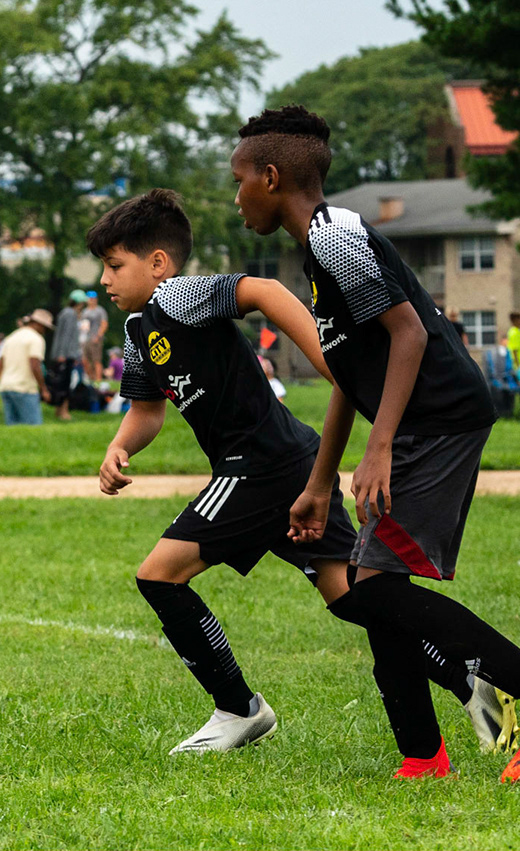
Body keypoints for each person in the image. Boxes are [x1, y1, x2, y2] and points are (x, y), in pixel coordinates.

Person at [235, 106, 520, 779]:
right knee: (373, 588)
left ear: (271, 177)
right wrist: (319, 483)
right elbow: (349, 376)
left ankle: (502, 694)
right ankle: (423, 754)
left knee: (378, 590)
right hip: (420, 422)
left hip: (440, 419)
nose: (236, 196)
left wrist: (380, 446)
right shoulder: (320, 252)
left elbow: (410, 334)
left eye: (239, 180)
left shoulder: (335, 237)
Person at [92, 188, 383, 756]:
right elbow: (147, 411)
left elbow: (265, 290)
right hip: (289, 460)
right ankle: (468, 672)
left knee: (159, 576)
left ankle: (239, 709)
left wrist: (335, 363)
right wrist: (119, 446)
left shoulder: (178, 297)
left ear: (158, 263)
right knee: (349, 596)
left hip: (259, 464)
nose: (105, 279)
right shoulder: (137, 329)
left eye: (114, 265)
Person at [0, 310, 51, 425]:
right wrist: (43, 388)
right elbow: (35, 365)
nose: (44, 331)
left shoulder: (11, 337)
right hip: (24, 387)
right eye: (45, 328)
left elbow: (0, 363)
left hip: (6, 387)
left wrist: (2, 381)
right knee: (33, 427)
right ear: (39, 324)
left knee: (13, 429)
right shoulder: (36, 339)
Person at [49, 291, 84, 421]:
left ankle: (59, 410)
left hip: (62, 354)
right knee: (65, 383)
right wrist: (64, 354)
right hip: (67, 355)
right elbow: (67, 336)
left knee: (60, 383)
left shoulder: (65, 312)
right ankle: (64, 411)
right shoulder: (70, 314)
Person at [81, 290, 110, 383]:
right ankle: (91, 378)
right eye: (90, 299)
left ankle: (98, 380)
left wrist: (98, 336)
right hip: (85, 338)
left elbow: (104, 324)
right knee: (85, 360)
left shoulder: (100, 310)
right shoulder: (84, 311)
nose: (91, 300)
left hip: (95, 338)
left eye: (93, 299)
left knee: (96, 360)